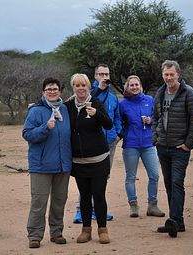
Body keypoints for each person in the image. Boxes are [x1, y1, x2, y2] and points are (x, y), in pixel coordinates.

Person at [152, 60, 193, 238]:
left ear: (178, 75)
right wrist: (156, 137)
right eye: (166, 75)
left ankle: (173, 220)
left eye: (171, 74)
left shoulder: (189, 93)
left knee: (176, 182)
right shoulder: (160, 93)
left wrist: (188, 144)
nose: (168, 78)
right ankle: (178, 222)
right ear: (163, 75)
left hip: (179, 148)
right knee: (168, 183)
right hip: (163, 146)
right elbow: (155, 117)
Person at [22, 78, 72, 248]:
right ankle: (35, 235)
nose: (52, 91)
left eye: (55, 89)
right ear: (43, 92)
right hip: (41, 165)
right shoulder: (36, 111)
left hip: (62, 164)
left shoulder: (65, 110)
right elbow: (27, 134)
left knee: (59, 200)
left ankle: (57, 232)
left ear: (60, 92)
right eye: (49, 89)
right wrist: (45, 128)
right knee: (39, 202)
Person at [65, 73, 113, 244]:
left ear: (88, 87)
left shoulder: (95, 102)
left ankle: (102, 229)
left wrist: (96, 115)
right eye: (77, 86)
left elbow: (108, 123)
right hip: (79, 162)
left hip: (99, 159)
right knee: (84, 196)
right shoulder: (68, 106)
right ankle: (86, 230)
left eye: (83, 85)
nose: (80, 89)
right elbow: (55, 112)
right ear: (73, 88)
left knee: (98, 195)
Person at [73, 63, 122, 223]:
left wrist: (118, 134)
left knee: (103, 176)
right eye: (101, 74)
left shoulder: (113, 97)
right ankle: (81, 210)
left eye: (106, 75)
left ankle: (98, 209)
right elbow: (84, 99)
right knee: (86, 176)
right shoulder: (89, 91)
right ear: (95, 76)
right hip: (91, 142)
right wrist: (99, 88)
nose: (104, 77)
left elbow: (116, 117)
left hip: (109, 142)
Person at [119, 75, 165, 218]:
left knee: (154, 175)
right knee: (130, 177)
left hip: (148, 144)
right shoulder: (123, 104)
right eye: (131, 85)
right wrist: (122, 135)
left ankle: (152, 205)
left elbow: (158, 118)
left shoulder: (149, 100)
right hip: (131, 145)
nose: (134, 87)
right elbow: (119, 123)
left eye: (136, 85)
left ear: (140, 86)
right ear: (127, 87)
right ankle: (133, 205)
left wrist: (150, 120)